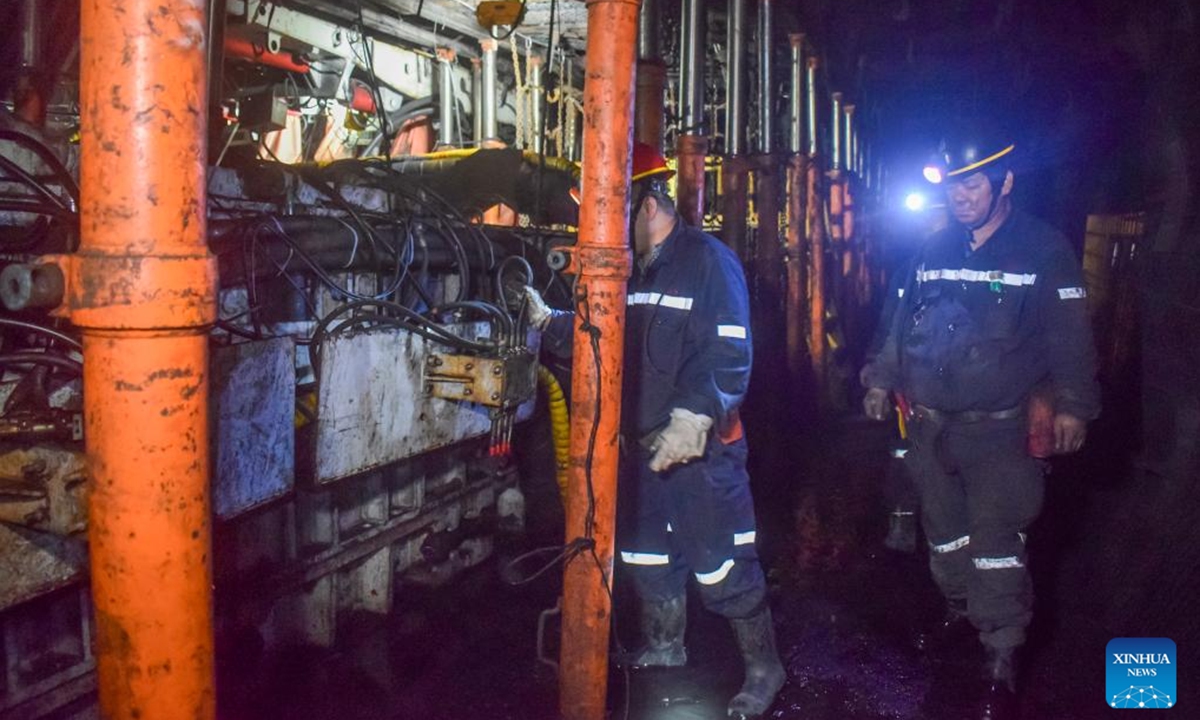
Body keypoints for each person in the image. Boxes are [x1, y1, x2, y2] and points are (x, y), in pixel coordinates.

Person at [524, 141, 785, 719]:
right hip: (637, 448)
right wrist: (549, 325)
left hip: (701, 451)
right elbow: (602, 333)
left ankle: (765, 668)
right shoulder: (623, 264)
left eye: (606, 210)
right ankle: (665, 645)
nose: (594, 227)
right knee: (646, 557)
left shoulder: (708, 262)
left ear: (645, 204)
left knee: (722, 565)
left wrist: (696, 415)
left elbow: (729, 351)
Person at [860, 126, 1100, 719]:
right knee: (945, 538)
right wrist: (878, 376)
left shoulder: (1043, 249)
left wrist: (1073, 404)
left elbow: (1070, 333)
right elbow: (898, 318)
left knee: (996, 546)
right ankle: (962, 609)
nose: (962, 196)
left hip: (1000, 433)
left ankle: (1000, 655)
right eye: (954, 185)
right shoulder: (932, 251)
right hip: (931, 427)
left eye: (974, 184)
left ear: (1004, 182)